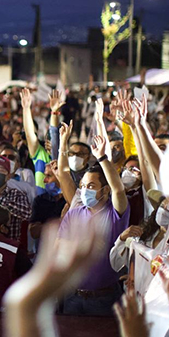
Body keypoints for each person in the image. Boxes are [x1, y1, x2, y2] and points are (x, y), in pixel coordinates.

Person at [57, 134, 129, 316]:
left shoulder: (115, 214)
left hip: (103, 299)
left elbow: (118, 189)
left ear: (105, 190)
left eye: (91, 186)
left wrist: (102, 158)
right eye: (83, 186)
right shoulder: (74, 214)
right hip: (72, 295)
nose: (84, 191)